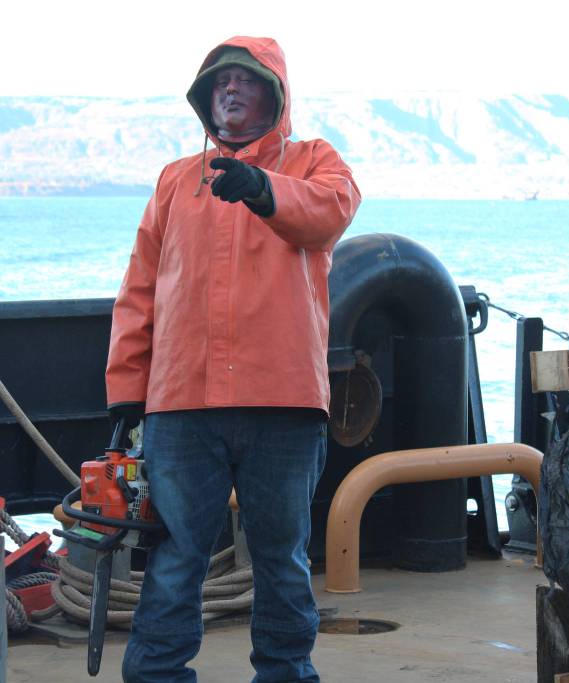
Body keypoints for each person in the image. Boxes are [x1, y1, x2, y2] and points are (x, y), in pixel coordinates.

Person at [106, 36, 360, 682]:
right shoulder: (173, 181)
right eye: (220, 82)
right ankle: (156, 675)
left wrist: (262, 189)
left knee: (282, 558)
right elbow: (140, 289)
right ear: (204, 99)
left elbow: (331, 210)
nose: (231, 90)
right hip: (181, 406)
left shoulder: (313, 161)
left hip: (285, 405)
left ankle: (284, 672)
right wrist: (125, 392)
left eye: (247, 81)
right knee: (174, 557)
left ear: (276, 96)